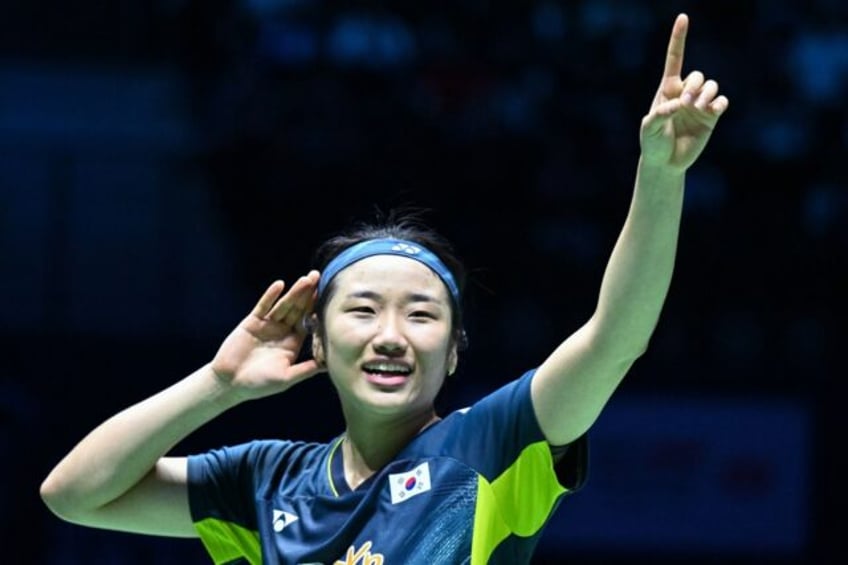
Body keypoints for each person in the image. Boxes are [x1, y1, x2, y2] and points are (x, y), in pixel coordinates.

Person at [40, 12, 728, 564]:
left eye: (421, 314)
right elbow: (73, 494)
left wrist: (661, 177)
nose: (391, 335)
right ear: (318, 340)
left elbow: (616, 338)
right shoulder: (264, 484)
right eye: (363, 310)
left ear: (454, 351)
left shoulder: (491, 446)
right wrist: (219, 383)